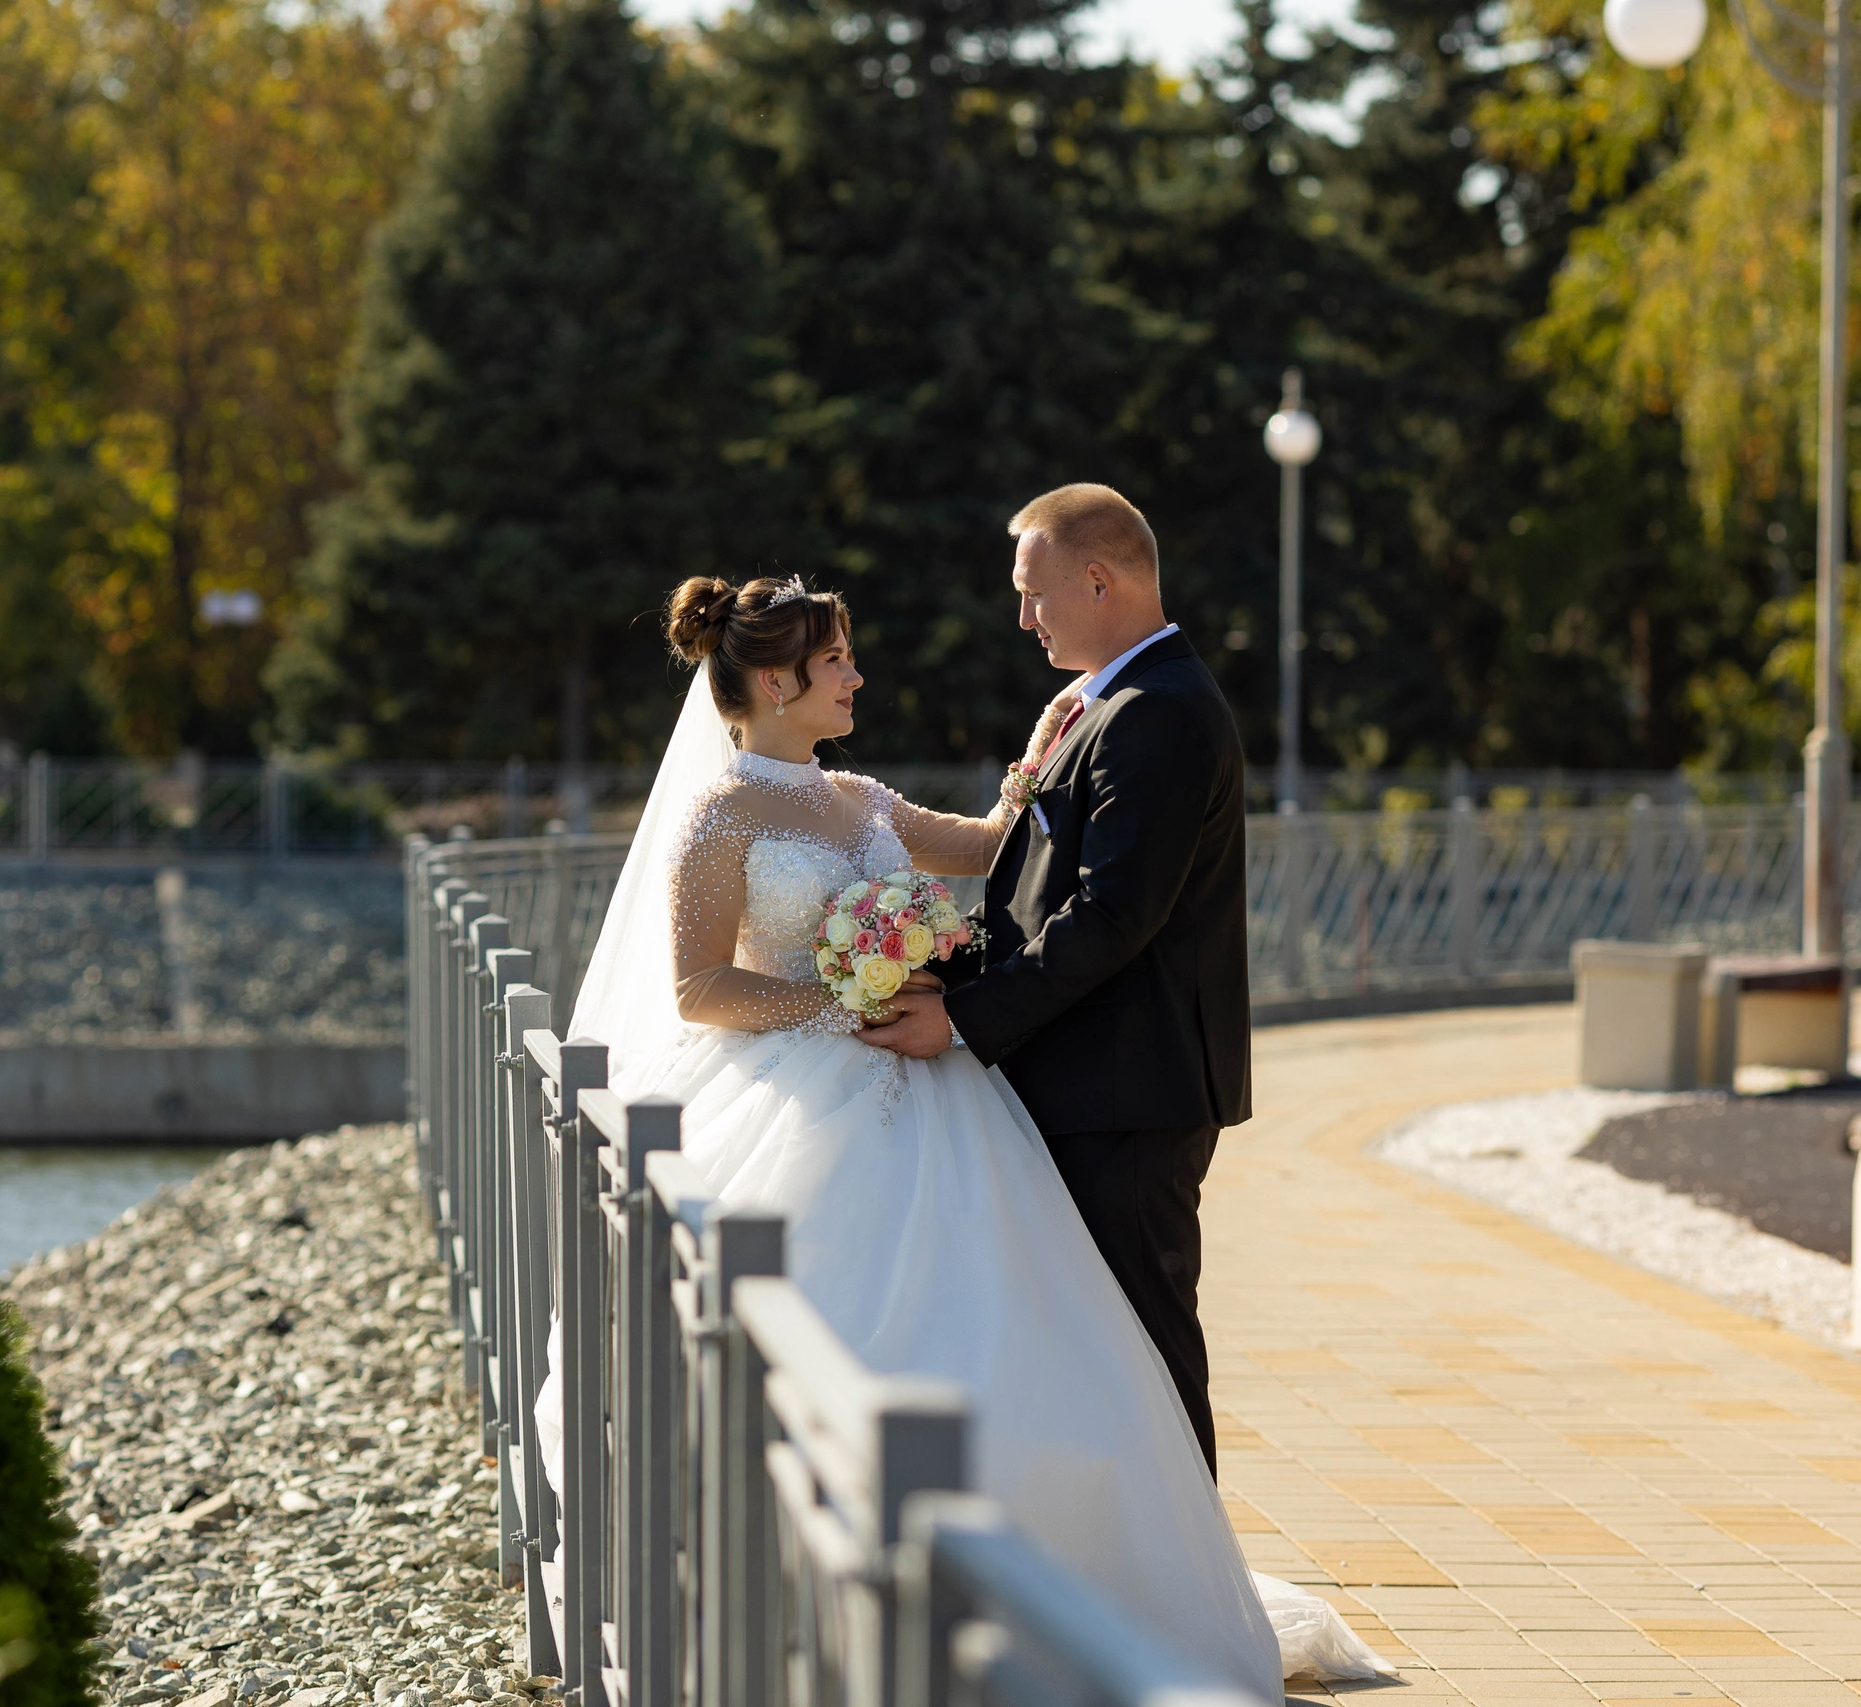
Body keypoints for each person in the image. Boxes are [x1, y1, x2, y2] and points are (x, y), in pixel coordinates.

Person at [552, 564, 1389, 1690]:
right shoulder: (720, 816)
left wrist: (1039, 760)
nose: (855, 675)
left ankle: (1029, 1583)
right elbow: (701, 988)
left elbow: (991, 845)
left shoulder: (856, 799)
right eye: (834, 658)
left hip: (938, 1092)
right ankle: (797, 1613)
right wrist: (840, 1001)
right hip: (807, 1095)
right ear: (769, 677)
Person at [861, 484, 1246, 1482]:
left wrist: (960, 1021)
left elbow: (1114, 916)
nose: (1023, 617)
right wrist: (937, 959)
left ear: (1097, 579)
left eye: (1034, 593)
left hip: (1126, 1091)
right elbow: (1038, 896)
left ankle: (1184, 1602)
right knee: (1093, 1347)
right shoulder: (1107, 704)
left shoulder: (1156, 712)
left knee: (1144, 1345)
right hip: (1092, 1079)